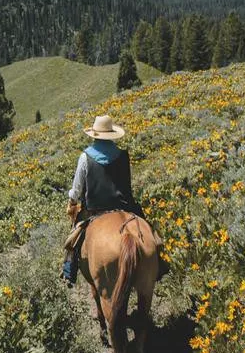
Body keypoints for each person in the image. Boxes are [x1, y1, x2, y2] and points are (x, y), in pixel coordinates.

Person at [61, 114, 167, 286]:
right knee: (150, 233)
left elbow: (76, 189)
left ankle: (69, 270)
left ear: (94, 135)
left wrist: (72, 201)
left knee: (73, 240)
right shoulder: (123, 155)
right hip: (125, 207)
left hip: (95, 210)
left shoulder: (85, 157)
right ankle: (159, 264)